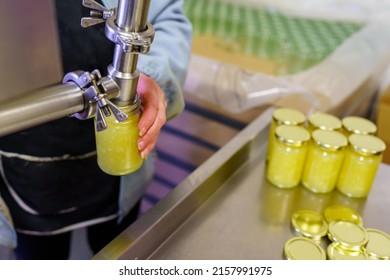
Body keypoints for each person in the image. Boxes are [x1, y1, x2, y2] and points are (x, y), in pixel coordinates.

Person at [0, 0, 192, 259]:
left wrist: (149, 73)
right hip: (22, 179)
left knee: (121, 257)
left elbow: (169, 19)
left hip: (117, 184)